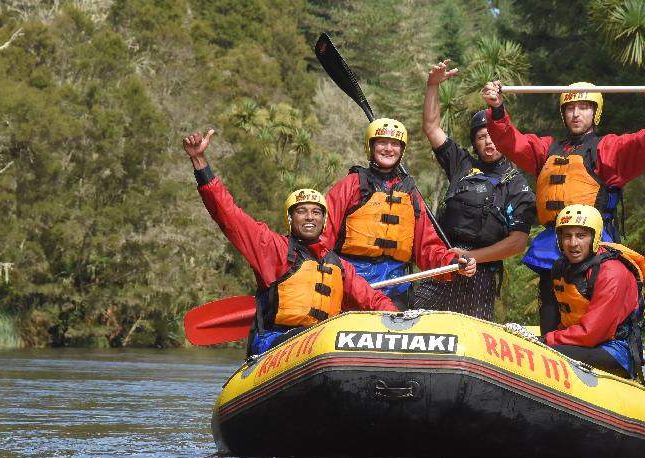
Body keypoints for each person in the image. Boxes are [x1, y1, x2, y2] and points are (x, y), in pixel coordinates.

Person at [183, 129, 398, 357]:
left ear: (324, 221)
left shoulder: (338, 266)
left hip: (323, 347)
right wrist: (199, 161)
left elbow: (371, 298)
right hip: (276, 345)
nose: (309, 217)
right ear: (290, 219)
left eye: (316, 212)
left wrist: (397, 319)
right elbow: (228, 215)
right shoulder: (272, 248)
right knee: (326, 341)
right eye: (301, 212)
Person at [481, 78, 645, 334]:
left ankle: (593, 350)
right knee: (550, 301)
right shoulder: (546, 149)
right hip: (553, 244)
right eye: (570, 108)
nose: (576, 113)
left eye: (584, 107)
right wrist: (496, 109)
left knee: (585, 302)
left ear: (596, 112)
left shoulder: (607, 149)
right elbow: (510, 141)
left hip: (591, 244)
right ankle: (550, 346)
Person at [412, 59, 536, 320]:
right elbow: (432, 128)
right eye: (481, 136)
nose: (488, 141)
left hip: (480, 273)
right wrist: (433, 85)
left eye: (493, 134)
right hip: (442, 265)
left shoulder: (517, 183)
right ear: (474, 142)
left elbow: (518, 242)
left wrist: (471, 257)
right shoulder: (462, 164)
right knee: (420, 326)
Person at [321, 117, 477, 309]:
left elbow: (426, 246)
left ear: (401, 150)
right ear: (370, 147)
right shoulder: (351, 185)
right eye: (382, 143)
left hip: (396, 287)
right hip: (351, 283)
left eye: (395, 144)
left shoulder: (410, 193)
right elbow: (323, 236)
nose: (388, 149)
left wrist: (453, 263)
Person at [544, 204, 645, 382]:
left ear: (594, 237)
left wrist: (549, 339)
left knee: (546, 350)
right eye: (567, 236)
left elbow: (592, 333)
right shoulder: (561, 266)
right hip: (580, 342)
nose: (573, 243)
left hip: (617, 349)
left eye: (581, 236)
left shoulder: (612, 272)